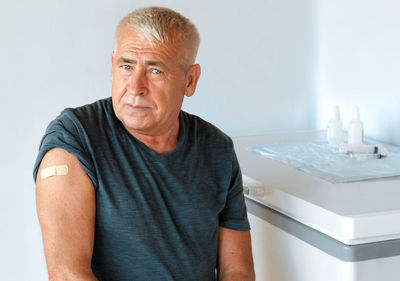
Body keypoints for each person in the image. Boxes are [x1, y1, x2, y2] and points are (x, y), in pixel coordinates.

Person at [34, 6, 254, 281]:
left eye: (155, 71)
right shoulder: (75, 138)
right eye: (126, 66)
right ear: (113, 67)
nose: (135, 86)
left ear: (190, 80)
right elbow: (68, 274)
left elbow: (238, 270)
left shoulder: (217, 149)